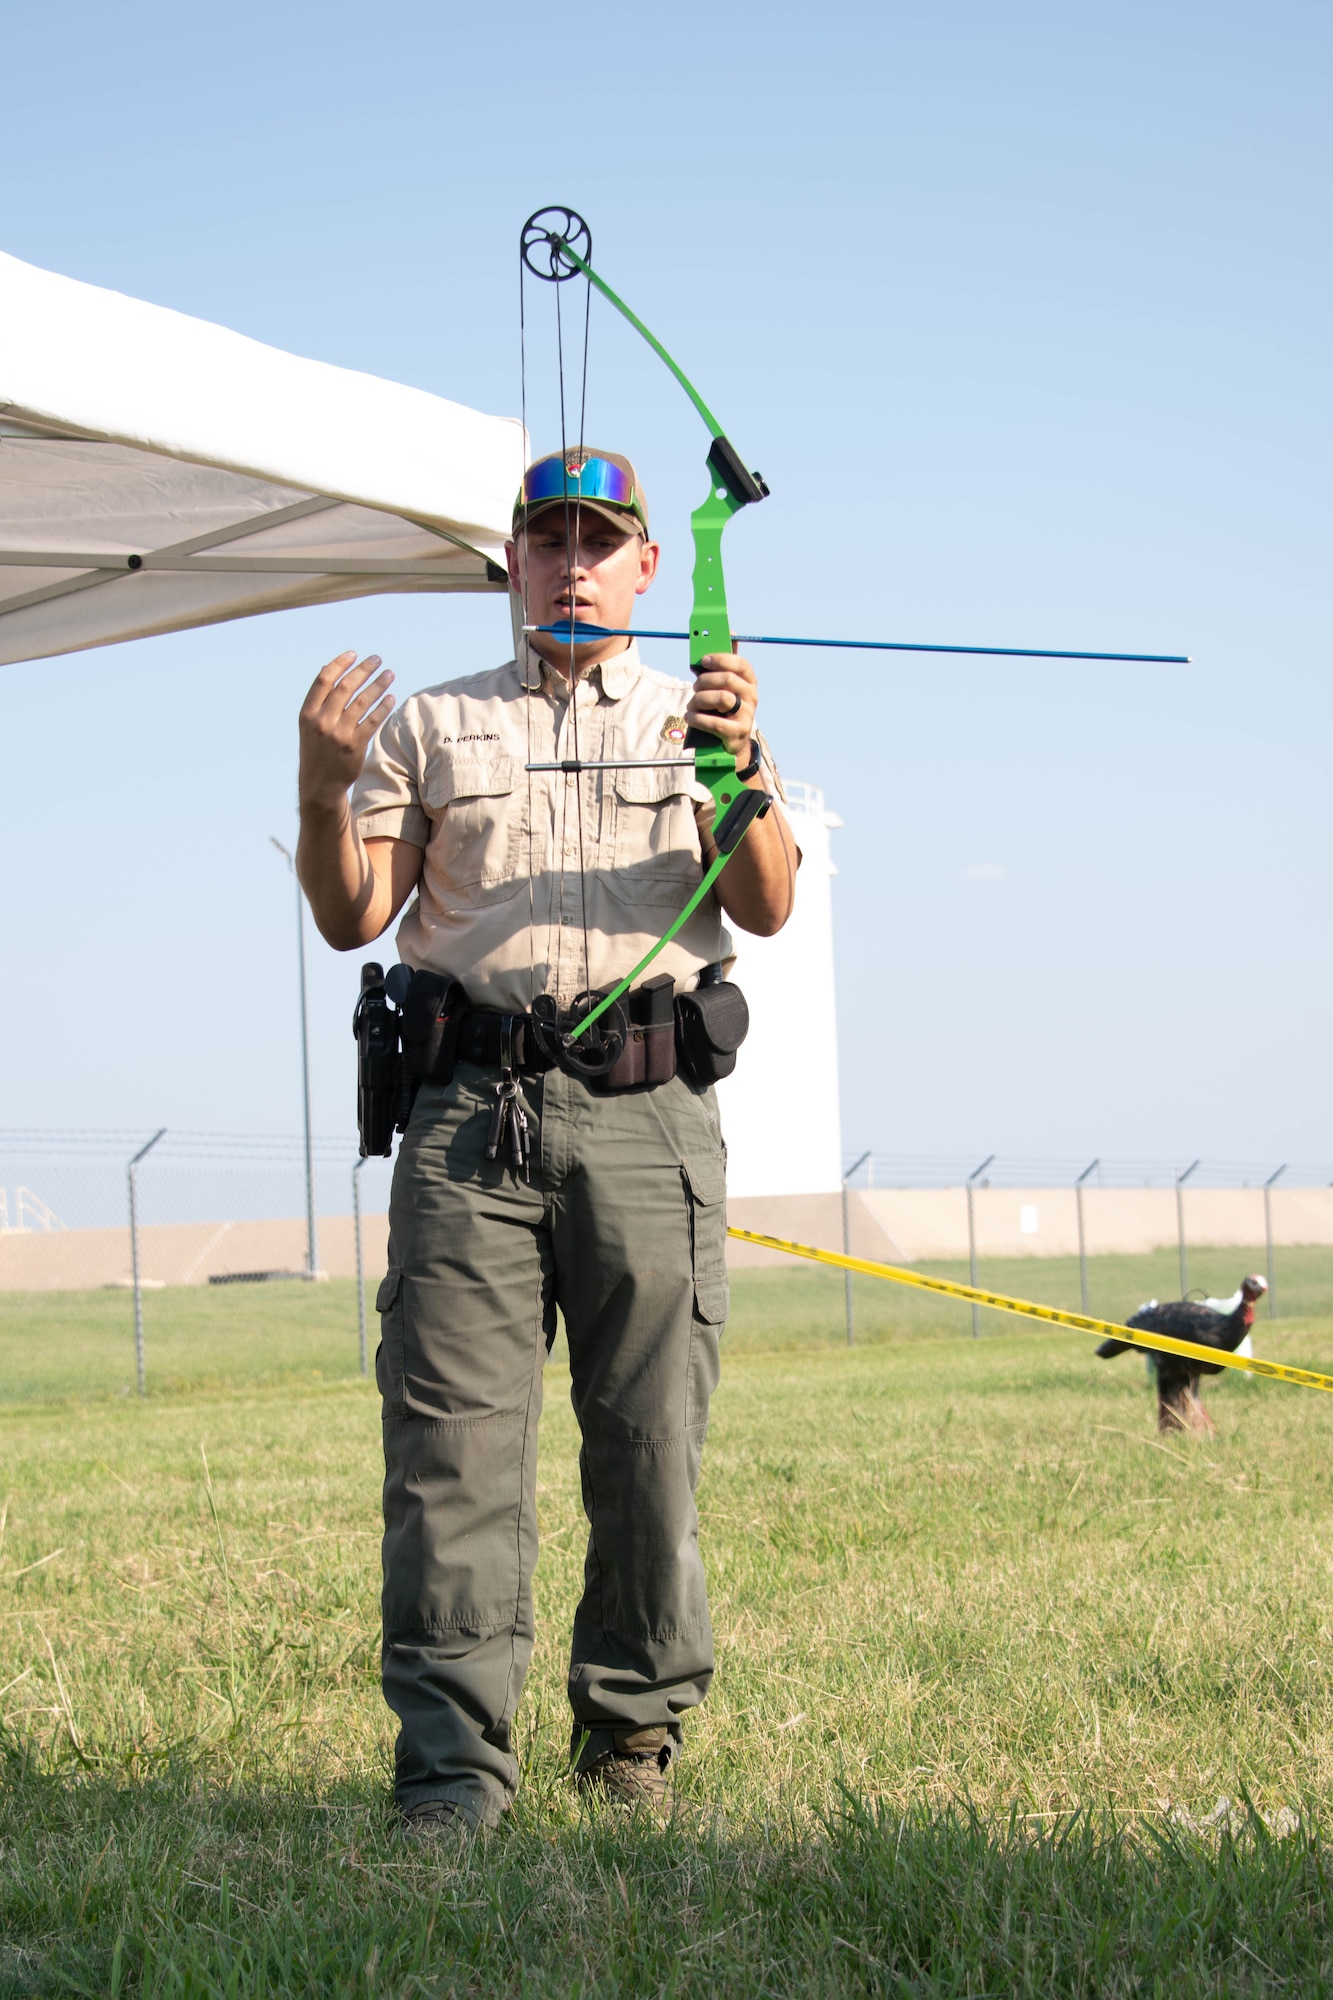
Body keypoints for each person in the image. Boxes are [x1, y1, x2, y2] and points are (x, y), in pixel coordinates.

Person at [296, 448, 799, 1835]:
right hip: (469, 1116)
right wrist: (319, 785)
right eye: (544, 540)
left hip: (648, 1114)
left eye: (600, 540)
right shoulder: (432, 727)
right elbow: (353, 915)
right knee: (451, 1449)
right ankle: (452, 1775)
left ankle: (632, 1735)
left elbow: (763, 908)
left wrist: (740, 769)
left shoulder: (701, 712)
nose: (570, 564)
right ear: (508, 563)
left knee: (649, 1443)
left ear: (649, 565)